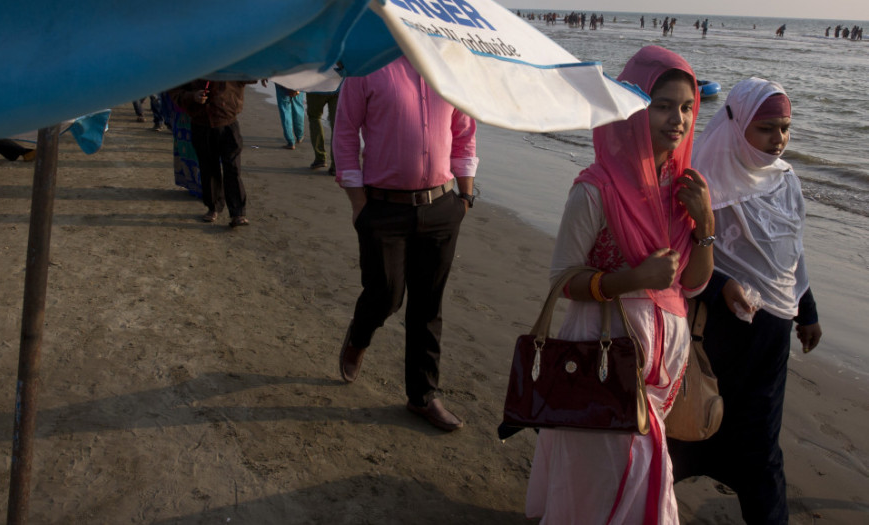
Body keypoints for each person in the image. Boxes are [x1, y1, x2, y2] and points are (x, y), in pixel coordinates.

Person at [525, 45, 714, 523]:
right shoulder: (596, 187)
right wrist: (632, 279)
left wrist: (705, 225)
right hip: (603, 356)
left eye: (688, 107)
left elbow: (690, 285)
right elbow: (561, 278)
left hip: (661, 370)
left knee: (626, 476)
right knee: (615, 475)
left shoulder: (687, 188)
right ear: (632, 108)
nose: (678, 120)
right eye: (663, 105)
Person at [667, 78, 823, 524]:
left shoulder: (785, 180)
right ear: (737, 126)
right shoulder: (702, 180)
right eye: (766, 128)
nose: (778, 139)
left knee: (760, 445)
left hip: (770, 338)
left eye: (785, 128)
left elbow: (790, 249)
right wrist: (720, 286)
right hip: (715, 333)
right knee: (686, 427)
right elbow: (677, 251)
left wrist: (806, 311)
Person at [333, 55, 478, 432]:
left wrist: (465, 197)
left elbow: (464, 133)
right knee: (386, 294)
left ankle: (423, 396)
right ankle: (360, 334)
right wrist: (358, 202)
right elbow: (345, 131)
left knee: (428, 304)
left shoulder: (450, 66)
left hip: (442, 206)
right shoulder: (368, 63)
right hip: (383, 207)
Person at [169, 80, 252, 227]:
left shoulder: (229, 60)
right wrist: (192, 96)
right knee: (208, 168)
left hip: (228, 122)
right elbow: (175, 91)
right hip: (200, 123)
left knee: (232, 168)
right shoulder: (190, 65)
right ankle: (213, 207)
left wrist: (266, 72)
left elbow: (249, 73)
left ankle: (238, 212)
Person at [305, 86, 339, 174]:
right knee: (337, 126)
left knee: (314, 118)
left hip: (316, 87)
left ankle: (320, 157)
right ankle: (336, 165)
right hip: (337, 87)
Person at [274, 83, 305, 150]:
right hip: (298, 80)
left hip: (281, 81)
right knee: (298, 108)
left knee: (285, 110)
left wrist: (265, 76)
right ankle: (299, 136)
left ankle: (291, 141)